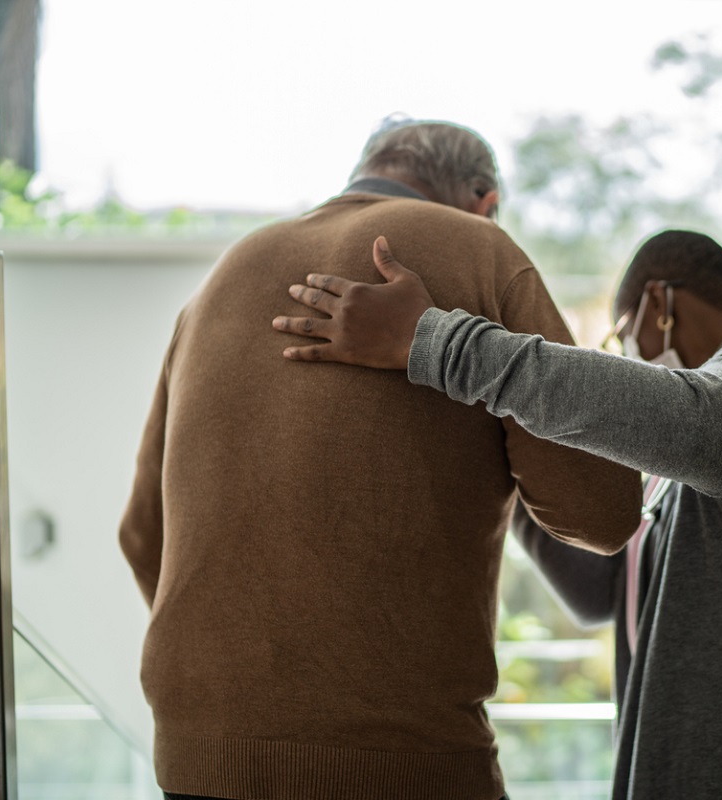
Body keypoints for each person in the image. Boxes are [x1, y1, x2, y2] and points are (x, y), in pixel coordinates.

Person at [270, 230, 722, 799]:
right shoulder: (672, 478)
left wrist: (443, 345)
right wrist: (504, 444)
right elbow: (598, 592)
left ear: (660, 302)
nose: (629, 355)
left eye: (624, 336)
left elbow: (715, 437)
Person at [118, 119, 643, 800]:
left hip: (197, 755)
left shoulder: (224, 276)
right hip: (400, 761)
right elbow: (600, 512)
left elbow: (140, 535)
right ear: (484, 199)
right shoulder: (480, 250)